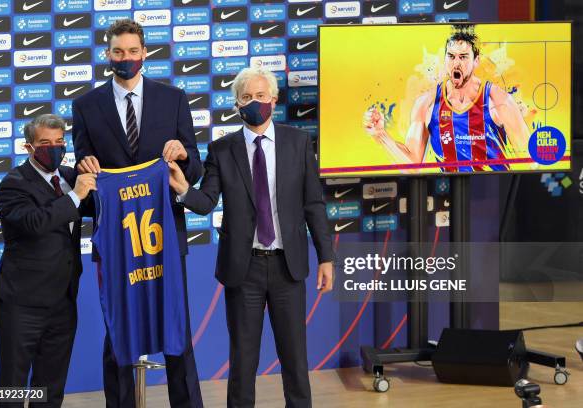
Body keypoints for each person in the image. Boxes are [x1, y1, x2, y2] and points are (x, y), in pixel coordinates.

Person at [168, 67, 335, 408]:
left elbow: (314, 204)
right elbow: (206, 201)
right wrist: (184, 189)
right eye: (246, 97)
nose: (254, 102)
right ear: (236, 105)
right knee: (243, 361)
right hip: (243, 272)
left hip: (288, 268)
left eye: (260, 96)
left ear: (274, 99)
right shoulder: (222, 149)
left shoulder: (298, 142)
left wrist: (327, 257)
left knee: (294, 359)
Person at [71, 19, 203, 408]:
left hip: (165, 237)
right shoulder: (85, 106)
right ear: (107, 55)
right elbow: (83, 170)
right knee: (118, 334)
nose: (125, 58)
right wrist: (85, 167)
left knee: (177, 331)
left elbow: (194, 168)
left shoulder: (174, 98)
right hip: (115, 242)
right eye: (117, 52)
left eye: (132, 51)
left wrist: (182, 157)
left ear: (144, 53)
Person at [0, 114, 96, 407]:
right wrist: (75, 196)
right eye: (45, 143)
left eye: (59, 142)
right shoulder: (13, 184)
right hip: (22, 304)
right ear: (29, 147)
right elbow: (35, 222)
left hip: (63, 302)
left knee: (51, 387)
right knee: (13, 386)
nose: (54, 148)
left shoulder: (70, 176)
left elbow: (103, 202)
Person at [364, 25, 531, 172]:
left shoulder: (499, 101)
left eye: (463, 57)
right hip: (449, 194)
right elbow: (412, 165)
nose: (456, 63)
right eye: (451, 56)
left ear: (476, 61)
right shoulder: (426, 104)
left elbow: (529, 161)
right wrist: (381, 135)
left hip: (492, 194)